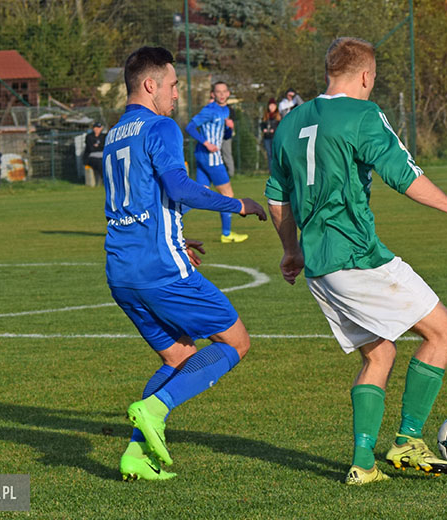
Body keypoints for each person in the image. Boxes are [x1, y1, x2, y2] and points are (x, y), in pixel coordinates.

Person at [265, 37, 447, 485]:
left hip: (320, 266)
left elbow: (276, 196)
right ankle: (407, 440)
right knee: (444, 333)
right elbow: (403, 173)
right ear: (366, 75)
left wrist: (291, 250)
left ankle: (363, 465)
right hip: (358, 256)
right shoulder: (363, 114)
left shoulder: (289, 124)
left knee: (381, 354)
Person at [105, 46, 266, 482]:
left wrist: (175, 234)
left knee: (178, 356)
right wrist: (238, 203)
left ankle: (136, 454)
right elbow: (179, 186)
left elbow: (142, 201)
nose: (177, 94)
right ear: (150, 85)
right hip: (160, 269)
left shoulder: (115, 133)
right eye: (174, 85)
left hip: (122, 271)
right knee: (236, 342)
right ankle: (155, 409)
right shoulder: (161, 127)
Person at [185, 82, 249, 243]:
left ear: (228, 93)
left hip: (205, 156)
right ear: (213, 94)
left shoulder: (225, 110)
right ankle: (226, 234)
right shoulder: (209, 110)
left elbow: (226, 136)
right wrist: (205, 142)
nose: (221, 94)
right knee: (228, 195)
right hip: (211, 158)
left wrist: (229, 128)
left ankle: (166, 216)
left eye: (224, 91)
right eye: (218, 92)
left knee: (199, 193)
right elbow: (190, 127)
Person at [260, 98, 281, 173]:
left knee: (275, 154)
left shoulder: (278, 116)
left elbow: (280, 126)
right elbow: (262, 125)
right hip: (267, 138)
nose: (271, 107)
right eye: (270, 105)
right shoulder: (266, 116)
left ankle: (277, 170)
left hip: (275, 138)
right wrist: (264, 129)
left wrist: (274, 130)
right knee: (269, 154)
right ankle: (271, 170)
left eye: (273, 105)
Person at [84, 121, 106, 186]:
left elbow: (104, 147)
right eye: (95, 128)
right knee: (99, 163)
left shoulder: (104, 136)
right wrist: (99, 146)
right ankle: (104, 180)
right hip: (91, 157)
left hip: (102, 155)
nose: (97, 129)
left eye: (98, 128)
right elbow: (91, 149)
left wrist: (97, 146)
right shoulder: (89, 137)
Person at [220, 104, 236, 178]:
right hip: (216, 136)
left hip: (225, 136)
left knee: (227, 154)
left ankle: (231, 173)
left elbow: (231, 124)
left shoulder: (228, 110)